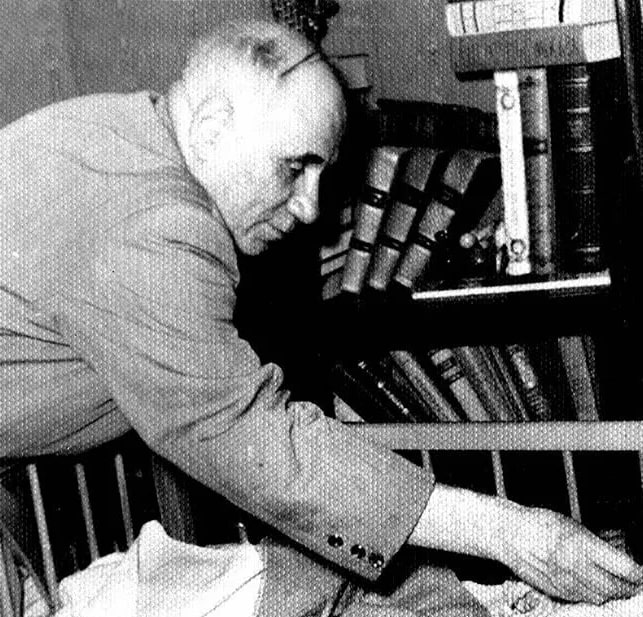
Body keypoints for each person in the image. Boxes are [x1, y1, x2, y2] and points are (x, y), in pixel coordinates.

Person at [0, 18, 640, 609]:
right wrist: (509, 533)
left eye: (320, 173)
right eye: (294, 167)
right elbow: (253, 440)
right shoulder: (154, 226)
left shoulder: (122, 132)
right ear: (212, 127)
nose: (310, 207)